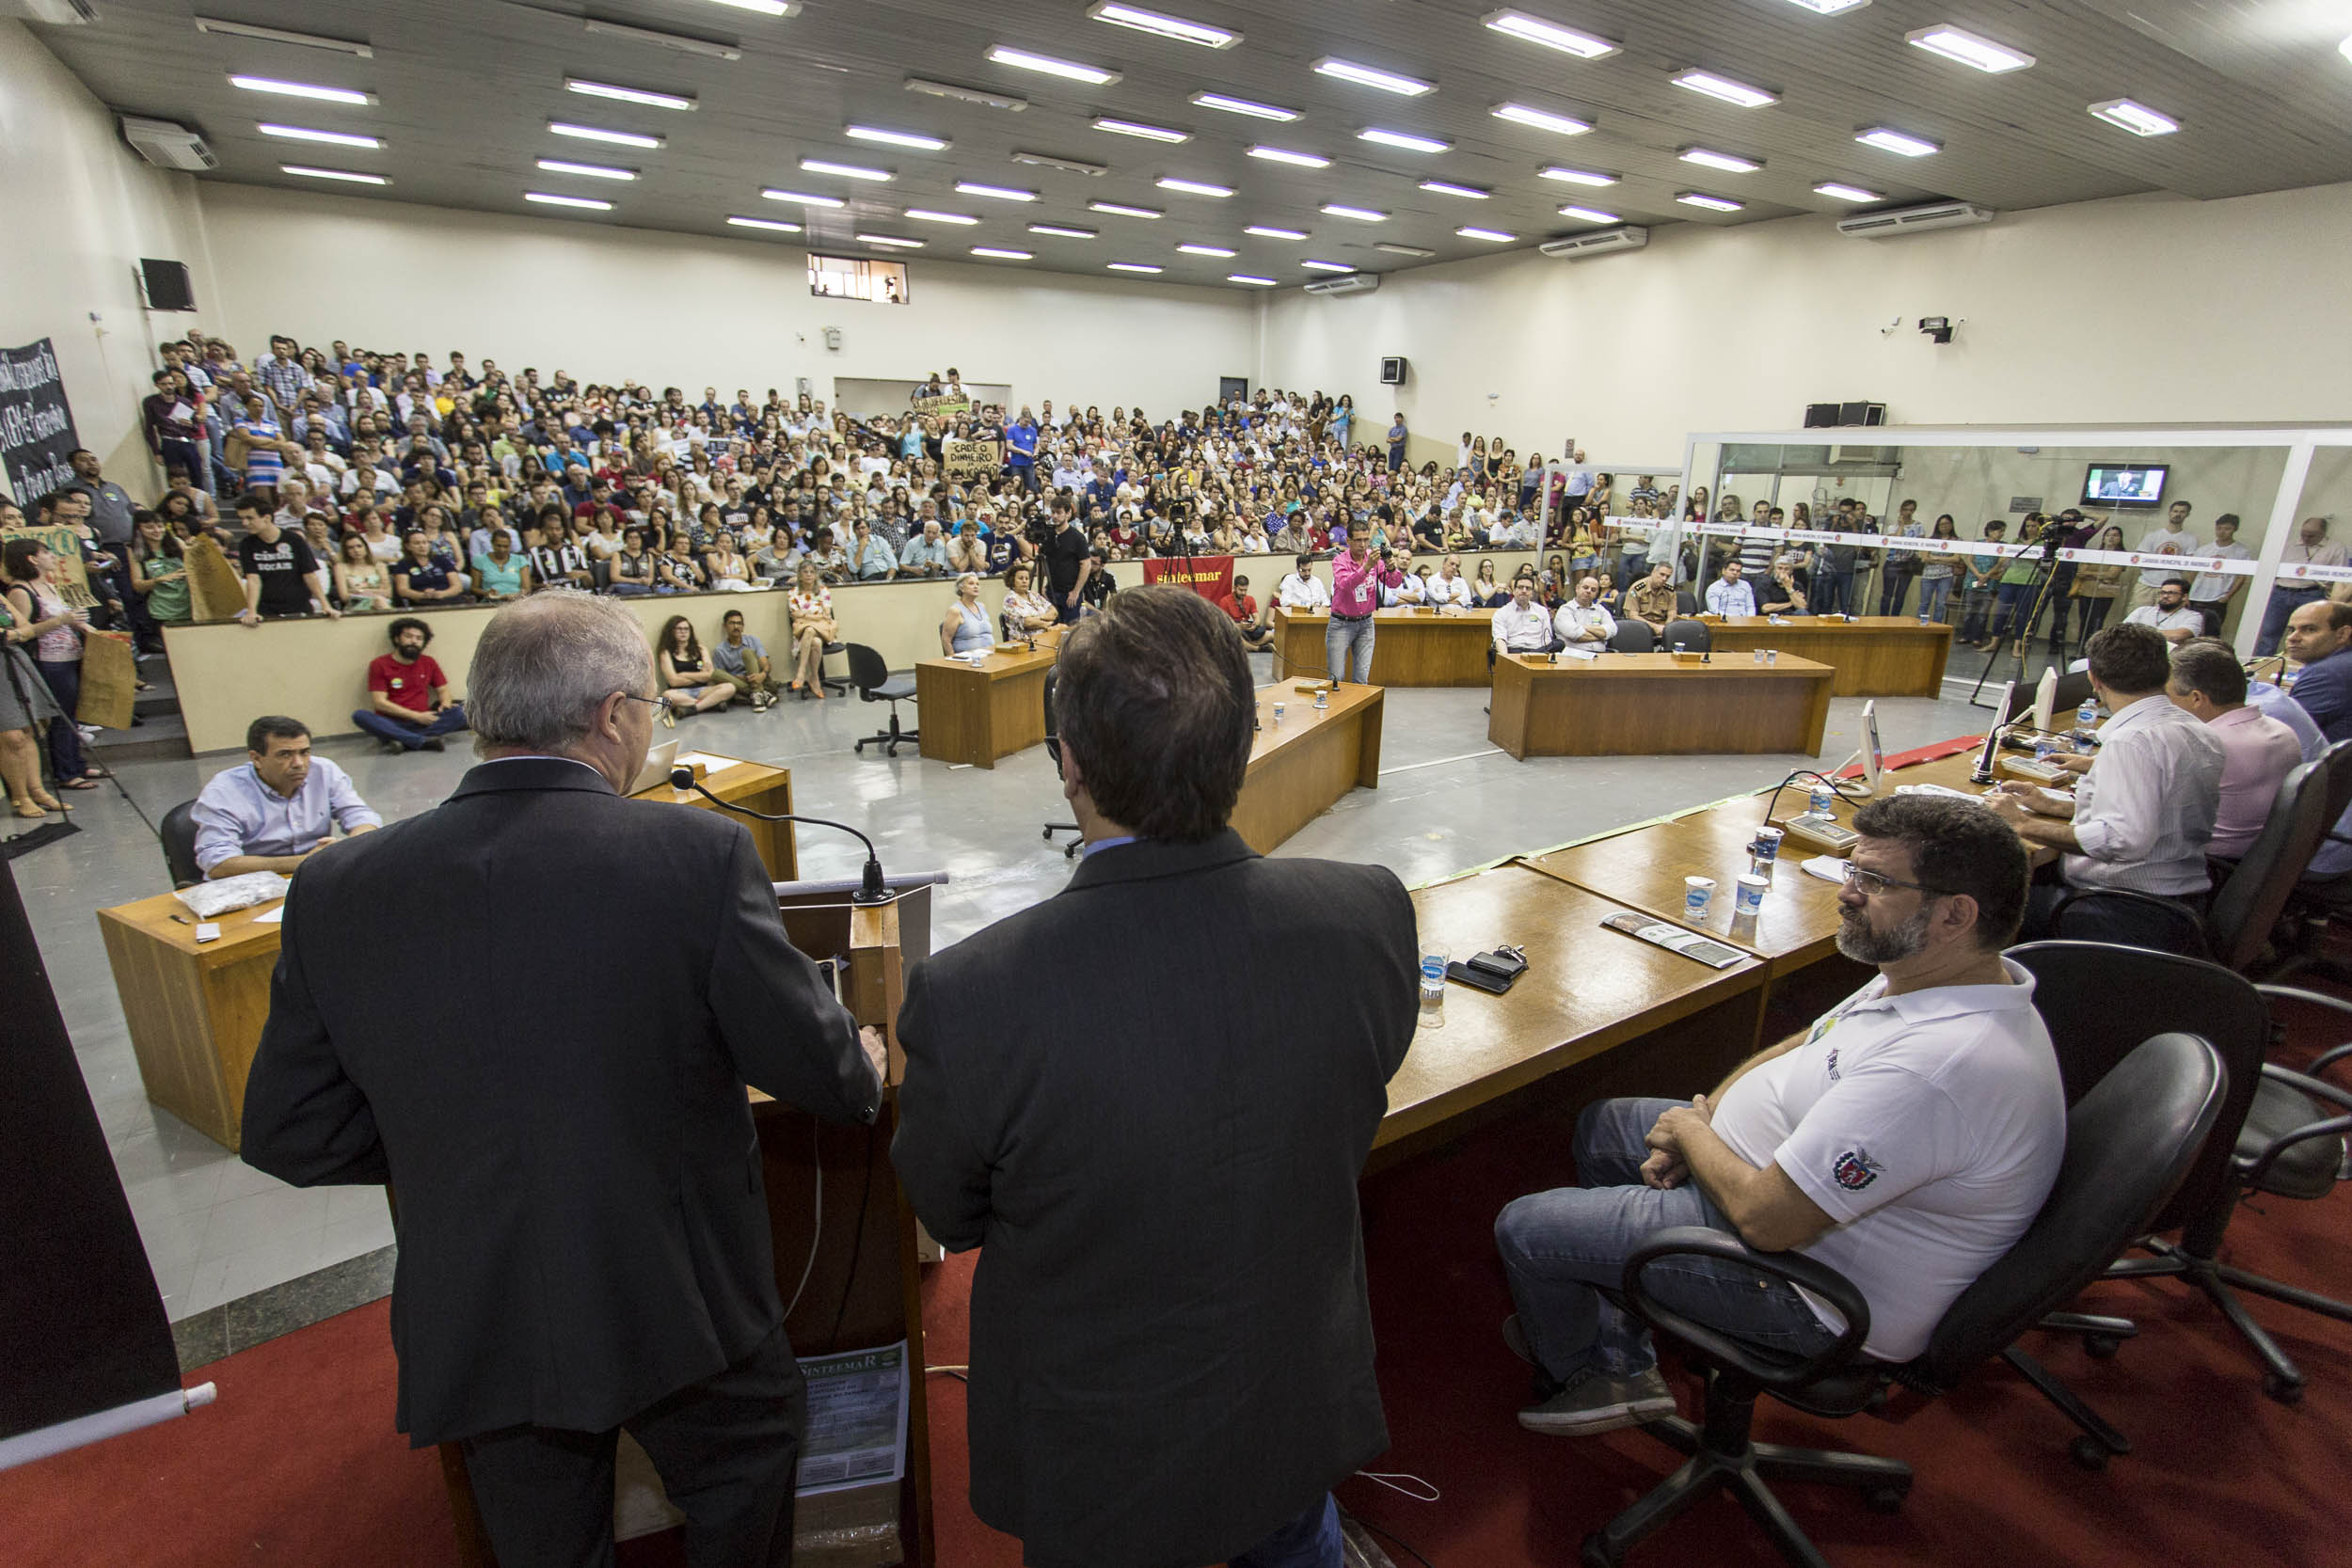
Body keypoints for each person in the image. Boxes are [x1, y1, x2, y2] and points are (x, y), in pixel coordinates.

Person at [240, 592, 885, 1568]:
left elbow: (289, 1130)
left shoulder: (336, 885)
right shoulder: (693, 853)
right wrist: (865, 1059)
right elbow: (827, 1077)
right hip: (679, 1293)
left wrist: (448, 1140)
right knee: (741, 1471)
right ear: (613, 713)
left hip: (482, 1305)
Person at [892, 585, 1417, 1568]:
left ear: (1069, 764)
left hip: (1098, 1446)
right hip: (1289, 1393)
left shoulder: (972, 996)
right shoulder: (1366, 913)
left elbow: (949, 1211)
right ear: (1241, 744)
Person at [1493, 795, 2059, 1433]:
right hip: (1776, 1188)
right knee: (1605, 1125)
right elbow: (1809, 1042)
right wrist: (1710, 1115)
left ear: (1956, 914)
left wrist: (1689, 1131)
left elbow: (1768, 1220)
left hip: (1808, 1290)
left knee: (1528, 1228)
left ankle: (1605, 1375)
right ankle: (1618, 1316)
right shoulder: (1935, 972)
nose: (1848, 893)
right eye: (1853, 869)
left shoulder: (1937, 1070)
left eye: (1874, 881)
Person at [1989, 624, 2225, 944]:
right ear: (2166, 672)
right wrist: (2057, 806)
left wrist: (2022, 824)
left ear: (2094, 679)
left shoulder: (2131, 742)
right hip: (2178, 902)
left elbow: (2122, 840)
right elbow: (2158, 807)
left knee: (1984, 909)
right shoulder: (2197, 728)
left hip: (2122, 910)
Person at [191, 715, 382, 878]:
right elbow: (217, 863)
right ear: (256, 758)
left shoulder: (324, 770)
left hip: (315, 877)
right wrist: (304, 862)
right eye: (285, 754)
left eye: (304, 753)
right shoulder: (224, 790)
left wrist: (349, 848)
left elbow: (362, 818)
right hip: (256, 884)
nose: (299, 763)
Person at [2167, 641, 2302, 861]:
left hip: (2202, 862)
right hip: (2256, 858)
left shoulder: (2206, 745)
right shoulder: (2283, 731)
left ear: (2196, 698)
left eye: (2168, 696)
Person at [1, 536, 101, 792]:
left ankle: (77, 763)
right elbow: (23, 631)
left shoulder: (49, 585)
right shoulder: (20, 591)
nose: (52, 556)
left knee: (73, 713)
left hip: (70, 653)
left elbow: (68, 617)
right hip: (47, 659)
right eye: (45, 552)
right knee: (60, 716)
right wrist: (61, 621)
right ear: (32, 558)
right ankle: (66, 771)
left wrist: (83, 626)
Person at [0, 567, 70, 816]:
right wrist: (15, 634)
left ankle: (37, 790)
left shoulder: (1, 597)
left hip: (11, 659)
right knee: (11, 736)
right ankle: (20, 797)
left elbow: (27, 628)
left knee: (31, 728)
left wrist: (12, 634)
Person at [354, 617, 469, 753]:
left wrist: (445, 702)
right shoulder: (379, 664)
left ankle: (403, 740)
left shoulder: (428, 662)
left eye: (419, 638)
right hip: (392, 722)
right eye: (408, 636)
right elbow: (379, 703)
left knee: (464, 710)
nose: (414, 641)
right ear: (397, 638)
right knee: (360, 716)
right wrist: (416, 716)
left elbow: (443, 689)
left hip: (424, 720)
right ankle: (420, 740)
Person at [235, 493, 339, 626]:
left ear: (266, 518)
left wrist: (325, 605)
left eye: (250, 518)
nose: (245, 523)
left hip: (298, 606)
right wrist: (251, 611)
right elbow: (253, 579)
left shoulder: (294, 540)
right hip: (266, 609)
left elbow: (309, 575)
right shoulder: (247, 544)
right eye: (242, 519)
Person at [2257, 517, 2347, 657]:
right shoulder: (2289, 545)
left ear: (2323, 533)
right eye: (2303, 534)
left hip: (2311, 594)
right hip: (2281, 592)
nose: (2306, 538)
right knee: (2268, 633)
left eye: (2311, 535)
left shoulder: (2336, 548)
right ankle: (2260, 666)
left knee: (2307, 637)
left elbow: (2340, 577)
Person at [1327, 530, 1400, 685]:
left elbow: (1393, 584)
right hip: (1341, 624)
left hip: (1366, 623)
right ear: (1348, 541)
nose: (1362, 544)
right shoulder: (1339, 560)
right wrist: (1366, 567)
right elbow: (1345, 585)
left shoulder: (1374, 559)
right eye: (1358, 540)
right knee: (1336, 678)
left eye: (1366, 540)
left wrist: (1392, 569)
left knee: (1361, 678)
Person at [2280, 598, 2352, 743]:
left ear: (2343, 634)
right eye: (2291, 630)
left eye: (2309, 629)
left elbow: (2282, 732)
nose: (2293, 638)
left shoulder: (2326, 673)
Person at [656, 613, 737, 720]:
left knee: (730, 687)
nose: (683, 632)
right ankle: (711, 705)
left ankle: (694, 708)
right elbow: (673, 681)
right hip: (679, 692)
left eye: (686, 629)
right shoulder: (665, 652)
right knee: (667, 695)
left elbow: (710, 675)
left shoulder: (701, 649)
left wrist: (683, 674)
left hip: (703, 690)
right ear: (672, 631)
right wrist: (699, 676)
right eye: (679, 629)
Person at [2127, 499, 2199, 612]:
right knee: (2136, 616)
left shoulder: (2190, 539)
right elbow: (2140, 558)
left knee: (2163, 618)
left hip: (2172, 588)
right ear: (2169, 512)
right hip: (2146, 584)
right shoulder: (2152, 536)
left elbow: (2192, 568)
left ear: (2187, 515)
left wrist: (2186, 592)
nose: (2178, 514)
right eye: (2175, 511)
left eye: (2182, 512)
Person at [2186, 514, 2250, 638]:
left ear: (2235, 529)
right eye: (2219, 528)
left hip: (2217, 599)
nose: (2222, 532)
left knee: (2209, 634)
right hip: (2196, 597)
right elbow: (2192, 573)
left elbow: (2241, 577)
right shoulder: (2204, 550)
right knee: (2190, 631)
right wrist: (2187, 594)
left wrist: (2227, 597)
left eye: (2227, 529)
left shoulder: (2241, 551)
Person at [711, 608, 782, 710]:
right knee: (716, 673)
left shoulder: (753, 640)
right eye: (732, 623)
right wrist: (742, 678)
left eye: (739, 623)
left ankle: (756, 694)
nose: (736, 627)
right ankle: (761, 694)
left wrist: (763, 675)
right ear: (725, 626)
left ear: (743, 627)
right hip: (738, 683)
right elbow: (723, 678)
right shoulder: (719, 650)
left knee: (747, 652)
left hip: (760, 679)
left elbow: (765, 664)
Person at [786, 561, 836, 699]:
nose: (809, 575)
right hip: (802, 630)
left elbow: (826, 614)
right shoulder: (793, 593)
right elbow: (794, 614)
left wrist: (806, 616)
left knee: (812, 633)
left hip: (822, 629)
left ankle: (801, 673)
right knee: (812, 636)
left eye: (812, 572)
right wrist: (814, 617)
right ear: (799, 576)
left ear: (815, 575)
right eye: (805, 572)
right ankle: (814, 678)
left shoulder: (823, 590)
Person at [2123, 577, 2201, 645]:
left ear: (2184, 597)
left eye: (2171, 593)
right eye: (2163, 592)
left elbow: (2178, 636)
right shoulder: (2142, 610)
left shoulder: (2193, 616)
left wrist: (2138, 633)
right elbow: (2123, 631)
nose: (2165, 596)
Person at [1492, 575, 1553, 657]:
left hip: (1537, 652)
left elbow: (1547, 638)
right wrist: (1507, 660)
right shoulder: (1502, 613)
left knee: (1559, 644)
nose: (1524, 591)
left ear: (1532, 593)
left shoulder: (1542, 611)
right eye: (1520, 587)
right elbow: (1500, 639)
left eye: (1528, 588)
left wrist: (1544, 658)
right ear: (1513, 591)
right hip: (1514, 651)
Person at [998, 561, 1058, 641]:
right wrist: (1048, 624)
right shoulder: (1010, 600)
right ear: (1012, 580)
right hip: (1024, 642)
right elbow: (1027, 622)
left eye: (1027, 578)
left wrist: (1040, 618)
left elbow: (1054, 612)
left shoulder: (1034, 595)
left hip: (1045, 636)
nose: (1024, 581)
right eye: (1021, 578)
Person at [941, 572, 993, 656]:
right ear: (961, 588)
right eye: (971, 583)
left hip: (990, 654)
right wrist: (953, 663)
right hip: (968, 659)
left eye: (977, 584)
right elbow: (946, 640)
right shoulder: (955, 611)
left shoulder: (982, 606)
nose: (976, 586)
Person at [1553, 575, 1614, 646]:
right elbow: (1576, 635)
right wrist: (1602, 637)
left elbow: (1612, 630)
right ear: (1577, 588)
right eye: (1585, 587)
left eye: (1593, 590)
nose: (1589, 591)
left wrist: (1584, 627)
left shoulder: (1601, 610)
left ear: (1596, 594)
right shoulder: (1565, 610)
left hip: (1602, 655)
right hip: (1573, 655)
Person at [1218, 573, 1273, 650]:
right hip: (1234, 629)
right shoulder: (1224, 601)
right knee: (1233, 635)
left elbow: (1256, 616)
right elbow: (1223, 624)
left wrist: (1255, 624)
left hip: (1248, 631)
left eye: (1245, 590)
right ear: (1234, 588)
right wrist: (1239, 626)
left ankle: (1246, 646)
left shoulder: (1250, 599)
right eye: (1241, 590)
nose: (1243, 593)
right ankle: (1256, 648)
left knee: (1271, 635)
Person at [1624, 561, 1677, 636]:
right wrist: (1655, 627)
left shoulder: (1670, 591)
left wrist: (1667, 629)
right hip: (1641, 626)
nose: (1664, 579)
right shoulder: (1637, 589)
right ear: (1653, 572)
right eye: (1662, 574)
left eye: (1668, 576)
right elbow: (1633, 616)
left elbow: (1672, 614)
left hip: (1662, 626)